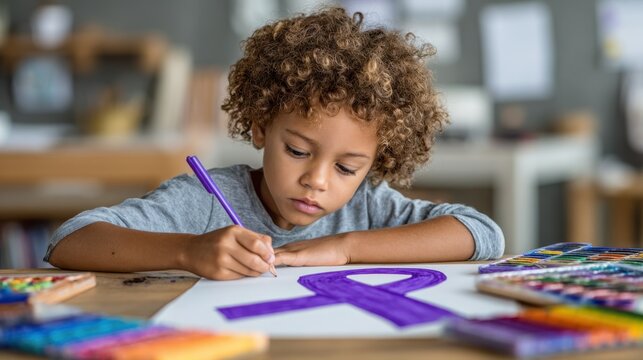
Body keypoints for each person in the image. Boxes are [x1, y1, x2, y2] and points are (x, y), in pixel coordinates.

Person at [47, 7, 504, 280]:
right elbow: (69, 241)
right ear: (262, 125)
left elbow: (484, 234)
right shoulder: (207, 200)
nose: (316, 180)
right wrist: (188, 251)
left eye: (347, 168)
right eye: (299, 151)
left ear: (375, 162)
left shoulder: (366, 209)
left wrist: (346, 248)